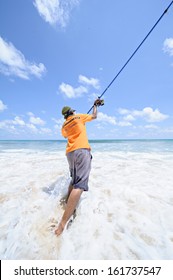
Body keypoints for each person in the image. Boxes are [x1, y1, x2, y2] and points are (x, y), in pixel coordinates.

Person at [55, 99, 103, 236]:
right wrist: (95, 106)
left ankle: (67, 203)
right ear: (72, 111)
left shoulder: (64, 124)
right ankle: (62, 225)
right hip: (82, 151)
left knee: (74, 180)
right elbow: (94, 116)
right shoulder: (79, 117)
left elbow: (65, 136)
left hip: (70, 153)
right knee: (80, 186)